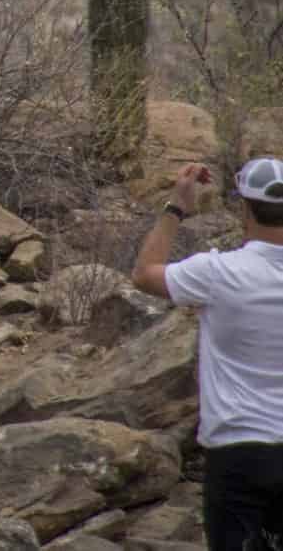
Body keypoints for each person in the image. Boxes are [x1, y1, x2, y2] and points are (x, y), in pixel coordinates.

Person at [131, 157, 283, 550]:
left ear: (244, 208)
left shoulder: (217, 273)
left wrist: (176, 206)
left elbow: (146, 272)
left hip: (237, 451)